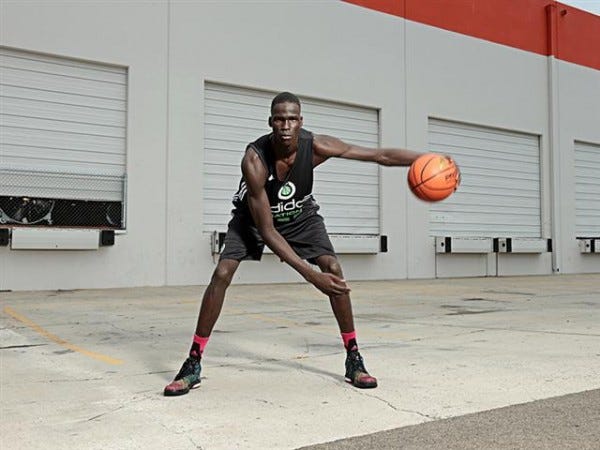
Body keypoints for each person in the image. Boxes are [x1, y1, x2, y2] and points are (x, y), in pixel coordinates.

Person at [164, 92, 426, 396]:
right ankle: (193, 362)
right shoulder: (254, 160)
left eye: (291, 119)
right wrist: (311, 276)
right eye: (279, 119)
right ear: (271, 121)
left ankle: (353, 358)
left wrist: (426, 159)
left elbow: (378, 155)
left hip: (301, 215)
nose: (285, 125)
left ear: (300, 122)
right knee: (222, 273)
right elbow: (268, 231)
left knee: (333, 267)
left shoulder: (316, 146)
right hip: (253, 219)